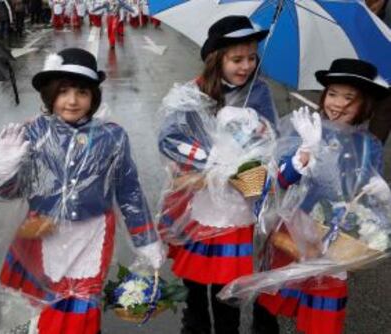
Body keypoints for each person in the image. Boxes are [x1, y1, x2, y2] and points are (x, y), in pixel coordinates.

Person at [0, 47, 165, 334]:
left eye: (82, 92)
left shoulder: (112, 136)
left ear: (93, 97)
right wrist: (7, 166)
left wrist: (146, 240)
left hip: (90, 235)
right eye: (63, 92)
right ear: (50, 95)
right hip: (41, 234)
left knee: (80, 309)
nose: (72, 101)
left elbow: (129, 191)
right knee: (35, 309)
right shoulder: (33, 133)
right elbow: (7, 192)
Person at [157, 16, 277, 334]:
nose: (246, 66)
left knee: (228, 284)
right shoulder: (191, 94)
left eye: (252, 58)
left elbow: (269, 145)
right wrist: (213, 162)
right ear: (216, 58)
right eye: (237, 59)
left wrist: (257, 135)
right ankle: (194, 324)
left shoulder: (259, 93)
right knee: (195, 280)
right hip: (196, 200)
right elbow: (169, 139)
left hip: (235, 205)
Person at [253, 58, 391, 334]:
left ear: (364, 103)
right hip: (290, 237)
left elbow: (363, 201)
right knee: (267, 306)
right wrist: (305, 151)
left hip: (333, 247)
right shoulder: (302, 128)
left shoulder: (368, 146)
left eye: (349, 97)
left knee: (322, 321)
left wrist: (383, 196)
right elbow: (277, 182)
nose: (338, 103)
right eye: (333, 93)